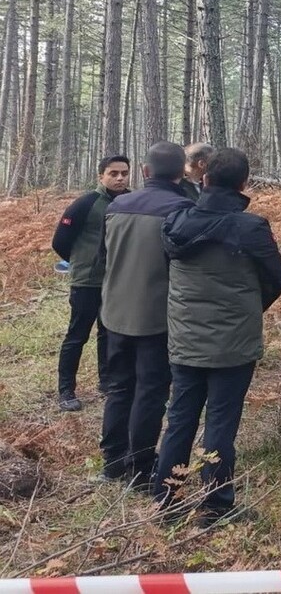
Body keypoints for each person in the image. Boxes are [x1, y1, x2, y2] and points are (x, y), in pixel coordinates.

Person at [153, 148, 281, 527]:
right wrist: (247, 310)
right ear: (244, 184)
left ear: (204, 178)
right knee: (221, 425)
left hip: (186, 340)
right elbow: (276, 279)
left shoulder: (176, 222)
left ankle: (166, 501)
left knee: (179, 420)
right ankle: (215, 506)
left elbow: (169, 270)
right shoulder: (251, 228)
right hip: (233, 345)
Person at [99, 142, 194, 487]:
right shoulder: (182, 210)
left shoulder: (116, 206)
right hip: (157, 318)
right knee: (151, 392)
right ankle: (139, 467)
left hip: (115, 314)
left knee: (119, 387)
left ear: (144, 171)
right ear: (181, 172)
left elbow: (102, 259)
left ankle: (112, 461)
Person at [51, 155, 131, 412]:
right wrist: (83, 262)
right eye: (113, 173)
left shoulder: (132, 201)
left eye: (124, 173)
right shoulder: (86, 204)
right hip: (87, 282)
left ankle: (107, 382)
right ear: (101, 176)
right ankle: (66, 390)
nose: (120, 178)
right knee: (77, 335)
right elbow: (60, 241)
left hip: (117, 282)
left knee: (109, 334)